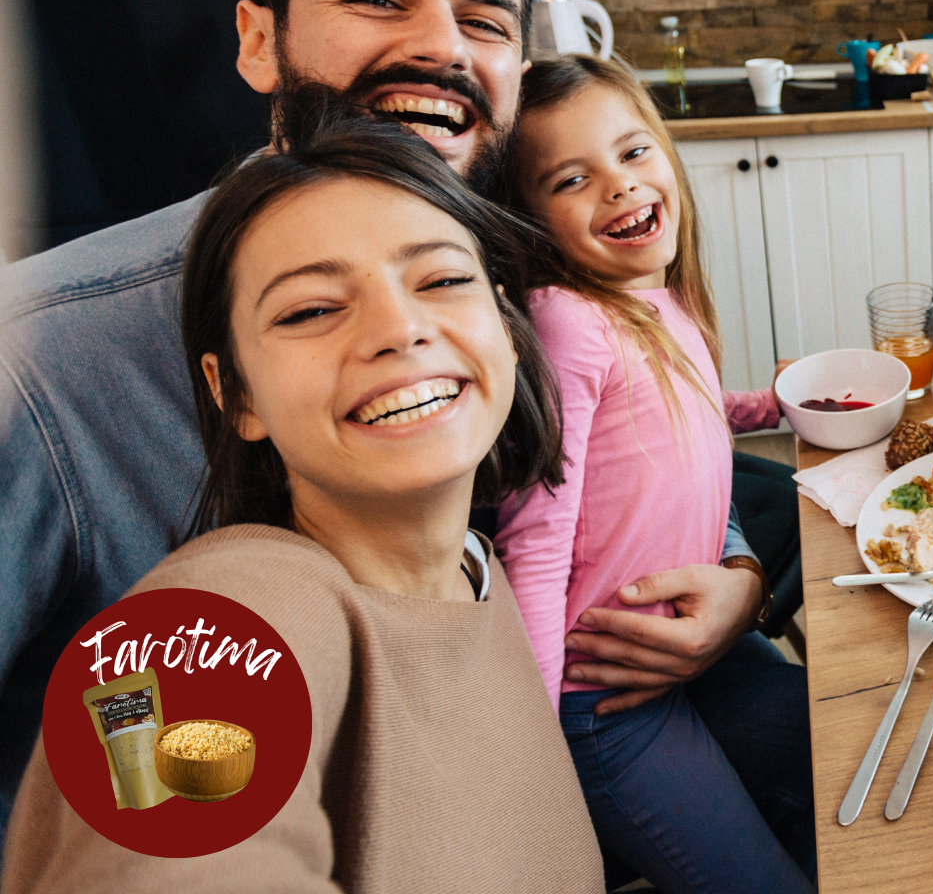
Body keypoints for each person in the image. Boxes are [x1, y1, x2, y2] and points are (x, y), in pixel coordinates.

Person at [0, 0, 770, 829]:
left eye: (487, 20)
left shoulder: (530, 275)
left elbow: (653, 437)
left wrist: (738, 576)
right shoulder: (43, 360)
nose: (442, 46)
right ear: (258, 39)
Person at [2, 111, 603, 891]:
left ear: (507, 323)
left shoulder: (474, 570)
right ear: (233, 394)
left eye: (443, 279)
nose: (400, 328)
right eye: (311, 310)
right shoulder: (218, 611)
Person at [490, 55, 813, 891]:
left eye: (634, 154)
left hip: (704, 656)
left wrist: (769, 404)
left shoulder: (658, 300)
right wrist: (532, 740)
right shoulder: (569, 322)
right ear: (529, 219)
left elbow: (687, 410)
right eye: (572, 178)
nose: (621, 187)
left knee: (854, 753)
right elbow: (535, 535)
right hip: (604, 700)